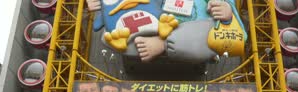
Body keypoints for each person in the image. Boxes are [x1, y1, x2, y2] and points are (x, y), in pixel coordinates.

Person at [86, 0, 247, 63]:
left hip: (197, 33)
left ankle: (163, 44)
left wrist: (227, 14)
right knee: (110, 37)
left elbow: (239, 37)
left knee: (209, 33)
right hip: (151, 31)